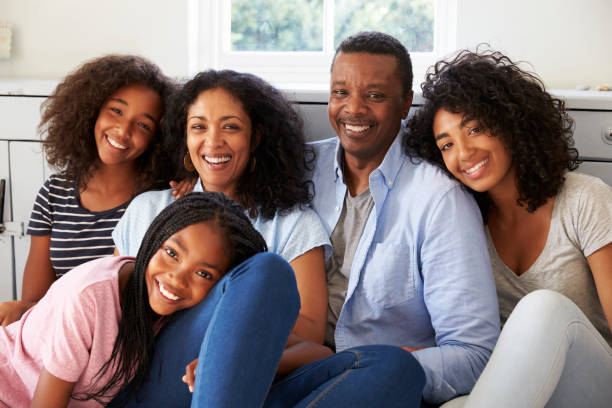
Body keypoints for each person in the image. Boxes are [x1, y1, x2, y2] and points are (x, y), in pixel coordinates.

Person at [114, 69, 426, 407]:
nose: (213, 141)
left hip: (261, 379)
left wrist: (233, 355)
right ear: (185, 138)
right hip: (164, 375)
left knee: (397, 367)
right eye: (199, 127)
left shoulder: (293, 223)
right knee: (265, 271)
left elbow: (309, 336)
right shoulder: (149, 209)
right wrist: (243, 330)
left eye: (230, 127)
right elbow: (115, 311)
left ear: (255, 137)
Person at [403, 49, 612, 407]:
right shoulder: (463, 225)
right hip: (523, 390)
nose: (464, 152)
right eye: (447, 144)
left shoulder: (584, 199)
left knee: (544, 307)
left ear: (511, 123)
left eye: (475, 129)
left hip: (594, 382)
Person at [304, 31, 501, 405]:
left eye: (375, 95)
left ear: (405, 103)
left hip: (377, 386)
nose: (354, 109)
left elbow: (473, 355)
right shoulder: (299, 169)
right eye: (341, 92)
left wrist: (386, 369)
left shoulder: (440, 199)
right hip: (297, 370)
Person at [0, 192, 301, 407]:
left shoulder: (184, 306)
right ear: (154, 239)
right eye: (171, 253)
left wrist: (230, 358)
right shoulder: (90, 297)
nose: (176, 279)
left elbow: (318, 352)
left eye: (204, 274)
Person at [0, 55, 175, 326]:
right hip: (61, 335)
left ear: (157, 138)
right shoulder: (53, 194)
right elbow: (36, 301)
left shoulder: (158, 201)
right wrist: (18, 309)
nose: (123, 129)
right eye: (116, 110)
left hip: (123, 339)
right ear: (92, 109)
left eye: (143, 124)